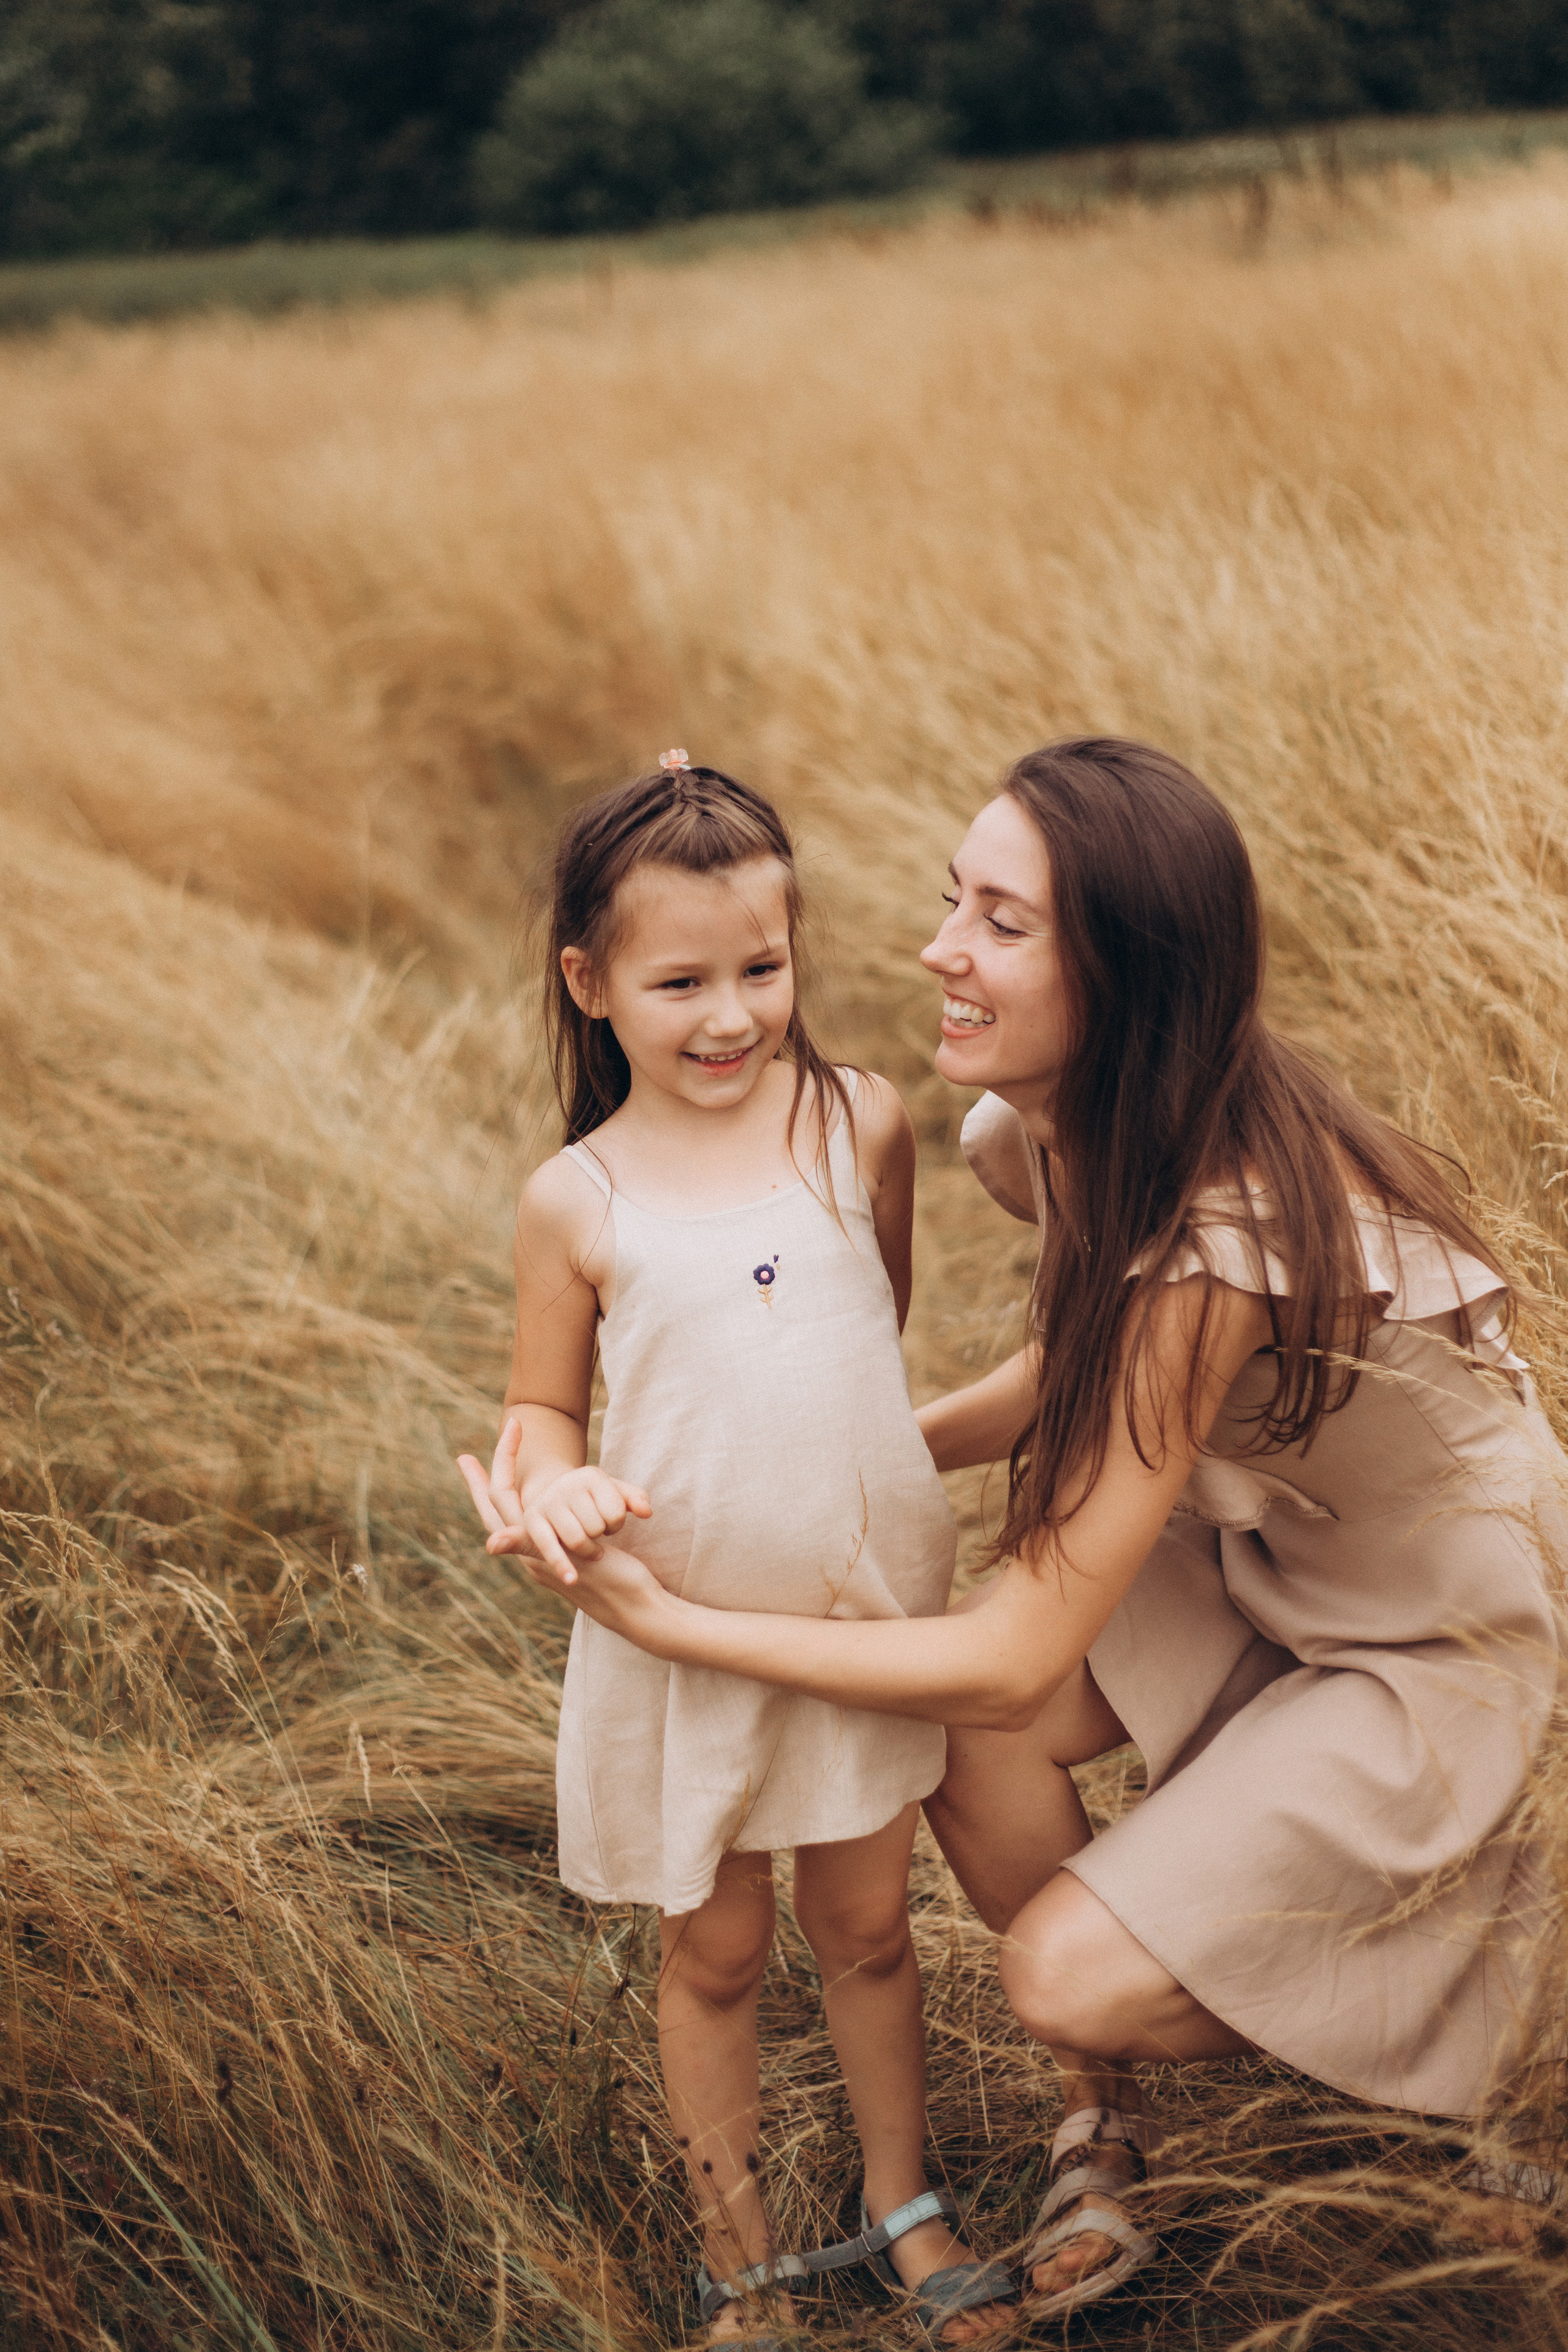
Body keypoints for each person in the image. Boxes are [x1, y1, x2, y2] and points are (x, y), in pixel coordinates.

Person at [467, 737, 1566, 2321]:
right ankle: (1103, 2124)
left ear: (1125, 973)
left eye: (1000, 920)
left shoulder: (1223, 1231)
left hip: (1425, 1620)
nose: (936, 950)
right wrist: (811, 1472)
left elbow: (1008, 1648)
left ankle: (1501, 1996)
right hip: (1249, 1542)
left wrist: (678, 1622)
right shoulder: (1024, 1125)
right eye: (947, 900)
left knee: (1050, 1939)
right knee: (968, 1758)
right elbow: (1075, 1367)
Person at [458, 753, 1016, 2348]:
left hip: (852, 1615)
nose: (729, 1016)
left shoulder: (862, 1123)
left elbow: (870, 1330)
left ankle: (902, 2204)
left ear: (800, 955)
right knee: (715, 1951)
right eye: (679, 980)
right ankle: (742, 2253)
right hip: (679, 1631)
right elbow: (539, 1411)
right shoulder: (579, 1198)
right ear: (591, 982)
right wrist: (554, 1486)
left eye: (761, 971)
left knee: (867, 1929)